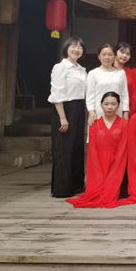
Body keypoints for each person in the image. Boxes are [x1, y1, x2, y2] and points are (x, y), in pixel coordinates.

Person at [67, 92, 129, 208]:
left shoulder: (124, 124)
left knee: (111, 190)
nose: (110, 107)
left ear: (118, 105)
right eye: (106, 104)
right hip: (99, 161)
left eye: (113, 104)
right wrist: (97, 169)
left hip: (118, 161)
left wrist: (116, 166)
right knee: (97, 189)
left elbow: (123, 148)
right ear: (101, 105)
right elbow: (92, 150)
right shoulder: (94, 124)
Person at [48, 36, 88, 198]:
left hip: (79, 108)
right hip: (64, 109)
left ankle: (76, 185)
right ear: (66, 48)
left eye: (80, 47)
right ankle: (62, 188)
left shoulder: (81, 69)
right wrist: (63, 117)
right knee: (64, 149)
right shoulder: (60, 67)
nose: (76, 49)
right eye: (73, 46)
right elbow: (57, 93)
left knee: (76, 147)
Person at [87, 43, 129, 127]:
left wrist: (126, 112)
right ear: (99, 56)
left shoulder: (121, 73)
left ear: (115, 56)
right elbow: (90, 96)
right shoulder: (93, 73)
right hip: (98, 112)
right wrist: (91, 111)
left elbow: (125, 95)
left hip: (117, 111)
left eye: (110, 54)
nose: (107, 57)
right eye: (104, 54)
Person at [113, 41, 135, 114]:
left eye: (128, 54)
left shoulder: (129, 71)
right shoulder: (108, 70)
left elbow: (133, 93)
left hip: (126, 108)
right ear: (115, 52)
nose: (125, 56)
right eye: (122, 52)